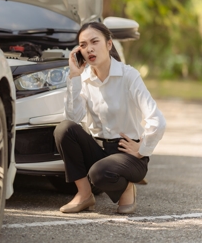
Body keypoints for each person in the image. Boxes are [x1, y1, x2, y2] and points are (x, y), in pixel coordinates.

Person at [54, 22, 166, 214]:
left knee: (99, 173)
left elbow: (157, 119)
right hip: (98, 150)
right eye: (83, 45)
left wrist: (143, 149)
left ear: (109, 44)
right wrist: (74, 76)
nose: (89, 48)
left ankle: (129, 185)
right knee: (64, 129)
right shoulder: (83, 78)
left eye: (94, 41)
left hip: (128, 153)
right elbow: (73, 118)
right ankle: (84, 193)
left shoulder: (128, 75)